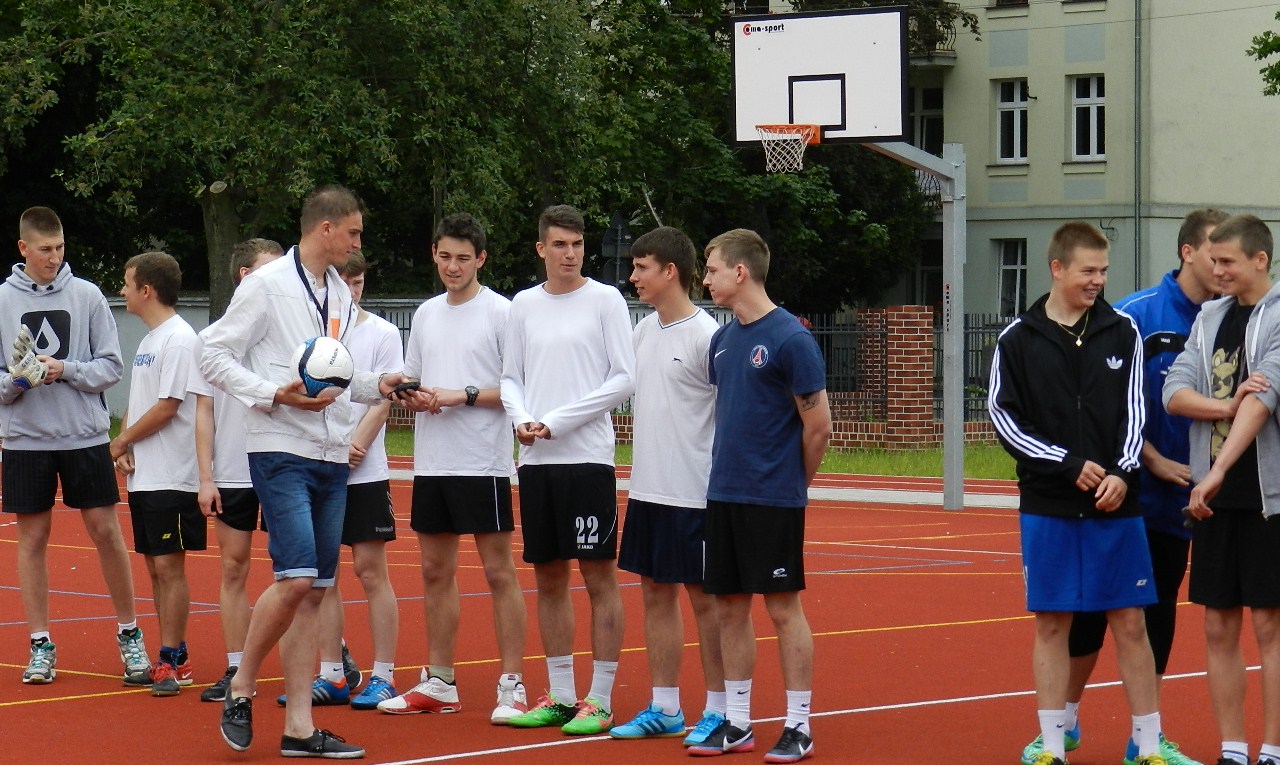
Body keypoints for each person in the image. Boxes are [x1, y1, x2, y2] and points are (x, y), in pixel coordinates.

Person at [202, 184, 406, 758]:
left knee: (314, 591)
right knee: (296, 577)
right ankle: (242, 685)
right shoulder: (265, 285)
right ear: (326, 228)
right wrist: (273, 393)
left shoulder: (337, 291)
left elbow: (335, 374)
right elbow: (211, 353)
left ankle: (298, 728)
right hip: (279, 448)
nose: (357, 243)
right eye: (353, 232)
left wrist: (381, 384)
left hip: (332, 455)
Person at [1019, 210, 1225, 765]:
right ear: (1188, 252)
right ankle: (1062, 723)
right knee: (1084, 619)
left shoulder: (1230, 317)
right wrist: (1145, 462)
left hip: (1185, 497)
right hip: (1130, 491)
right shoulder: (1136, 315)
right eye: (1216, 254)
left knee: (1153, 615)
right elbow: (1126, 407)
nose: (1223, 266)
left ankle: (1144, 739)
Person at [989, 221, 1165, 765]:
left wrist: (1122, 472)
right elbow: (1003, 416)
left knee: (1130, 622)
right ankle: (1051, 745)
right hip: (1049, 504)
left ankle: (1149, 745)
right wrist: (1065, 464)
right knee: (1052, 623)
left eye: (1104, 271)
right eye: (1089, 271)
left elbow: (1137, 411)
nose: (1098, 281)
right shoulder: (1017, 339)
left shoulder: (1123, 331)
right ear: (1057, 268)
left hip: (1117, 502)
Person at [376, 212, 529, 723]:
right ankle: (440, 680)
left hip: (482, 462)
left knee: (498, 572)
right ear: (434, 255)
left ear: (481, 259)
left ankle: (512, 684)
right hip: (433, 461)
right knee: (434, 570)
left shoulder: (502, 312)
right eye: (445, 256)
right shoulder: (426, 313)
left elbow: (515, 387)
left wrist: (460, 394)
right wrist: (411, 393)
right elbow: (416, 376)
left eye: (463, 258)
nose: (453, 266)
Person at [687, 228, 830, 764]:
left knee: (783, 608)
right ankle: (738, 721)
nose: (706, 279)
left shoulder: (791, 339)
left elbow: (818, 427)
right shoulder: (722, 341)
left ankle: (798, 725)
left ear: (740, 272)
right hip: (724, 493)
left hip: (772, 500)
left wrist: (793, 484)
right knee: (728, 607)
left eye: (712, 269)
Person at [499, 204, 636, 735]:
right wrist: (522, 419)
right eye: (559, 244)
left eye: (577, 244)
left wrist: (555, 421)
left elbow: (622, 378)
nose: (570, 253)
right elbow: (511, 377)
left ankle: (599, 699)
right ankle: (560, 695)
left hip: (587, 460)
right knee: (549, 577)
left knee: (598, 576)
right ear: (541, 249)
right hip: (537, 462)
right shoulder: (523, 305)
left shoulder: (606, 300)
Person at [0, 206, 149, 686]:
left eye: (60, 248)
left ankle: (130, 635)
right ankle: (40, 644)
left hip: (84, 435)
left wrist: (64, 368)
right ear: (23, 248)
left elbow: (111, 367)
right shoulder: (2, 300)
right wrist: (17, 381)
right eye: (45, 249)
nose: (54, 257)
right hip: (25, 440)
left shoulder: (87, 295)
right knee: (32, 540)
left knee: (106, 531)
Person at [1165, 214, 1280, 765]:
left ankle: (1273, 747)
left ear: (1260, 260)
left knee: (1268, 623)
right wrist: (1224, 404)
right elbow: (1174, 391)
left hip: (1266, 498)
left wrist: (1216, 470)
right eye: (1214, 260)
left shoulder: (1278, 316)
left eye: (1228, 261)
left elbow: (1263, 401)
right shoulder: (1209, 316)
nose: (1218, 270)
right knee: (1217, 623)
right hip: (1213, 499)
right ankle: (1232, 748)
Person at [606, 226, 727, 747]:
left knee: (707, 602)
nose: (633, 277)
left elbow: (730, 415)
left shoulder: (708, 336)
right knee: (655, 594)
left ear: (670, 271)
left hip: (696, 494)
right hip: (649, 490)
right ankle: (666, 706)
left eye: (641, 267)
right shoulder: (643, 332)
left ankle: (720, 709)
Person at [294, 249, 403, 710]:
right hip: (321, 463)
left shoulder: (382, 333)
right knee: (325, 576)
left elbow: (385, 396)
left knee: (370, 570)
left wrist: (355, 443)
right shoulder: (314, 332)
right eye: (345, 283)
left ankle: (384, 675)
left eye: (358, 283)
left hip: (364, 469)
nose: (352, 292)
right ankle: (333, 674)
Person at [191, 238, 285, 703]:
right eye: (270, 270)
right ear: (246, 276)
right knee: (233, 568)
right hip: (232, 469)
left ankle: (328, 658)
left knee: (297, 569)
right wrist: (206, 478)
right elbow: (204, 411)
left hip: (282, 462)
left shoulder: (286, 331)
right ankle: (236, 666)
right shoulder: (210, 340)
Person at [110, 251, 203, 697]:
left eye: (127, 283)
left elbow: (169, 407)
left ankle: (171, 658)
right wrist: (126, 441)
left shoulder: (180, 339)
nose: (122, 291)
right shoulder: (150, 341)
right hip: (146, 475)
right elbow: (140, 401)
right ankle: (173, 653)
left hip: (174, 474)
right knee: (154, 566)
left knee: (169, 566)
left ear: (146, 290)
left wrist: (122, 440)